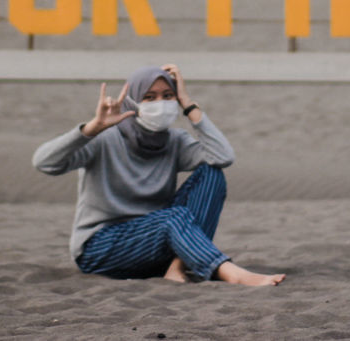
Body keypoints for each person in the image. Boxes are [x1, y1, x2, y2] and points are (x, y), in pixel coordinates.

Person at [32, 63, 286, 286]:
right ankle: (230, 273)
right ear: (132, 101)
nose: (160, 104)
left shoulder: (174, 141)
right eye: (149, 97)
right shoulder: (106, 139)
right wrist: (91, 128)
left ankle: (177, 266)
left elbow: (223, 157)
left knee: (212, 174)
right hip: (101, 248)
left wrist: (188, 103)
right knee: (171, 218)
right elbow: (44, 163)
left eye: (167, 96)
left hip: (155, 244)